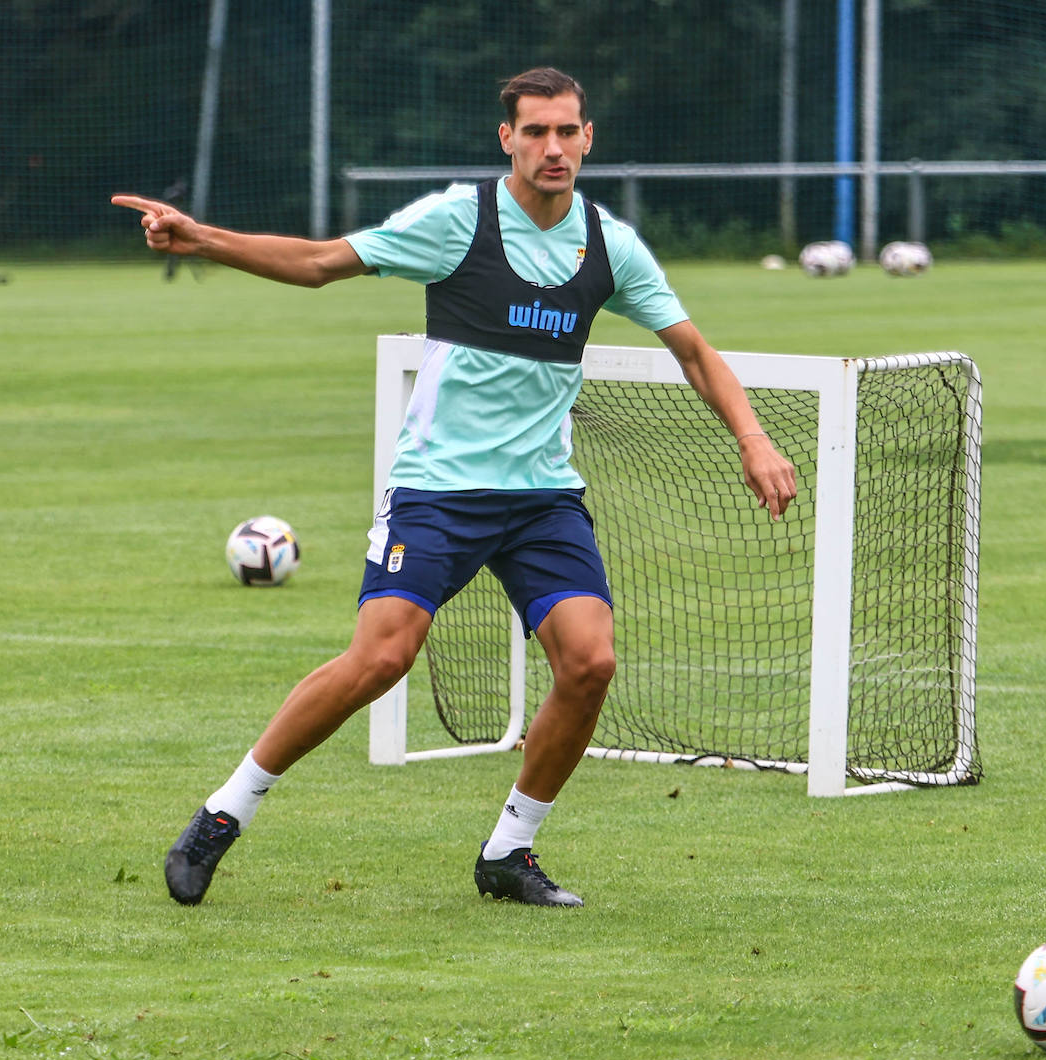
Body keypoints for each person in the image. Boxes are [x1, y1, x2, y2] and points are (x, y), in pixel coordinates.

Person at [113, 67, 797, 909]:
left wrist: (753, 438)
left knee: (590, 663)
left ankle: (510, 851)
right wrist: (202, 240)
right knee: (382, 659)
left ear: (589, 140)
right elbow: (324, 261)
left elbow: (693, 350)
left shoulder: (609, 245)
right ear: (506, 139)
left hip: (542, 497)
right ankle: (225, 812)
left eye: (567, 132)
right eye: (536, 132)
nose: (553, 147)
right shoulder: (456, 222)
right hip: (439, 490)